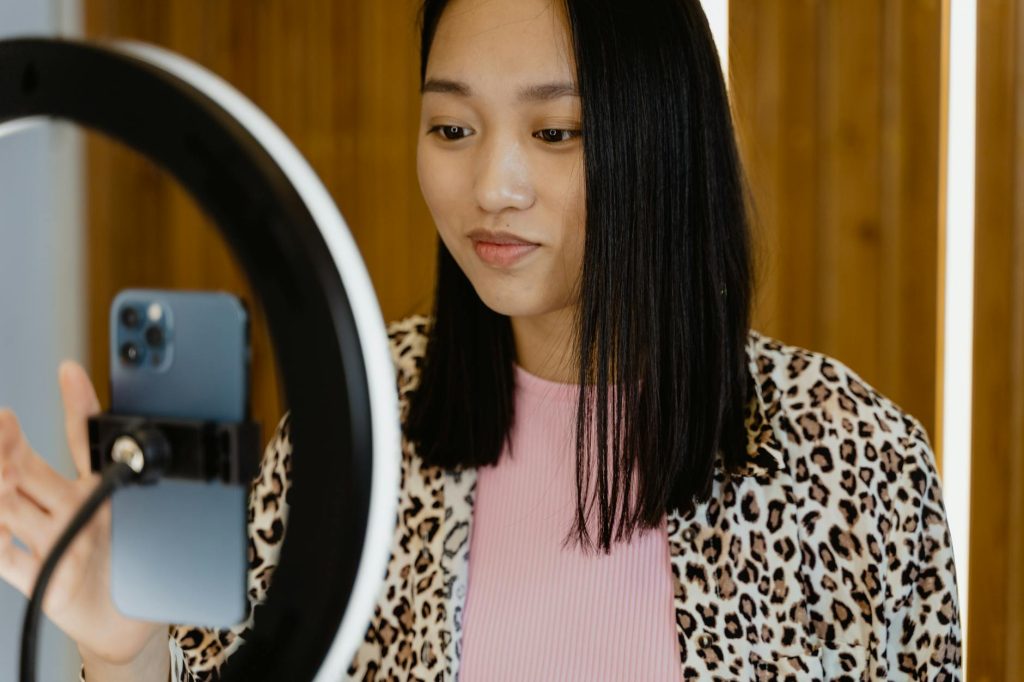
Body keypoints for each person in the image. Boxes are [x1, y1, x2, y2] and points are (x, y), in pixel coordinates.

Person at [0, 0, 963, 679]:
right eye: (453, 128)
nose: (492, 185)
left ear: (665, 141)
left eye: (557, 132)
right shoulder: (358, 432)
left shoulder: (854, 458)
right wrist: (121, 651)